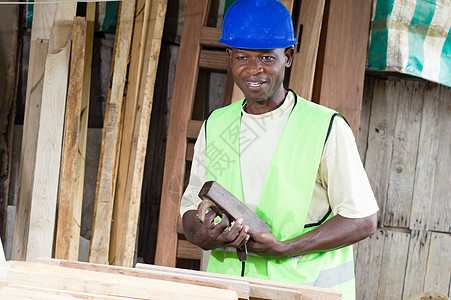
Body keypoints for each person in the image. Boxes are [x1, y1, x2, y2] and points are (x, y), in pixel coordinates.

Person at [180, 0, 378, 299]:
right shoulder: (216, 125)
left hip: (301, 291)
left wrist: (287, 248)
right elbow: (188, 210)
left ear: (287, 57)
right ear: (229, 56)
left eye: (266, 58)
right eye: (242, 57)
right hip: (228, 291)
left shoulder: (325, 127)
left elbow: (362, 219)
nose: (253, 70)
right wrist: (200, 234)